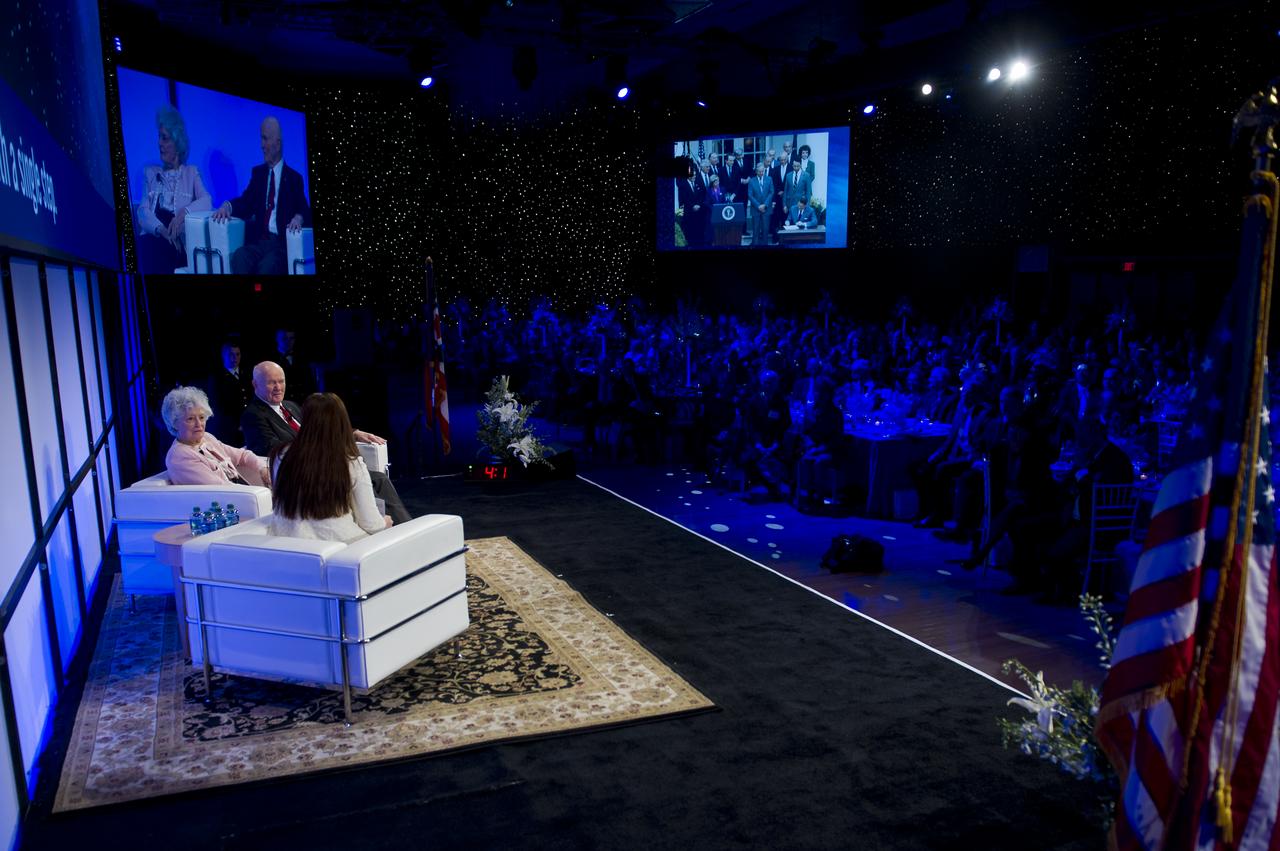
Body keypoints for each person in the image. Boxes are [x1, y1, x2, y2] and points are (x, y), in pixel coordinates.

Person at [240, 361, 412, 524]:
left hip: (325, 464)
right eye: (271, 383)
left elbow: (319, 428)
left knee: (378, 478)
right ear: (256, 385)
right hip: (305, 473)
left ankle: (403, 526)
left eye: (281, 381)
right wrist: (314, 448)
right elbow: (268, 448)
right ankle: (378, 524)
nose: (278, 387)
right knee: (361, 478)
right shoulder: (253, 415)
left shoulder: (290, 406)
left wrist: (353, 433)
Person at [269, 393, 391, 542]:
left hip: (288, 542)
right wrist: (384, 523)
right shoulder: (350, 462)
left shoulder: (280, 455)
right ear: (342, 422)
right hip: (341, 546)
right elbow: (371, 524)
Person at [211, 116, 311, 275]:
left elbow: (304, 208)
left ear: (277, 144)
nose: (261, 145)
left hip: (280, 244)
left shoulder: (294, 178)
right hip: (260, 241)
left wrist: (298, 218)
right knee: (239, 256)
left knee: (268, 266)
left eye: (265, 139)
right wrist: (227, 206)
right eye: (261, 139)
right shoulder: (258, 174)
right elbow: (246, 202)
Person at [135, 107, 212, 274]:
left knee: (161, 251)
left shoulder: (191, 173)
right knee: (145, 247)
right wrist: (162, 230)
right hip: (155, 237)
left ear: (177, 144)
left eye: (165, 138)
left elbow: (207, 201)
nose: (159, 143)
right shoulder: (150, 173)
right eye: (159, 137)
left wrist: (183, 214)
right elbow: (142, 212)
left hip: (178, 243)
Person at [161, 385, 270, 486]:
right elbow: (220, 488)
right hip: (226, 503)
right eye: (190, 419)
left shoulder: (206, 438)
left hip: (242, 494)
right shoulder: (179, 456)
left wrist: (262, 468)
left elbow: (241, 455)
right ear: (174, 423)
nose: (199, 424)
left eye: (202, 417)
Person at [204, 339, 252, 445]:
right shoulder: (217, 378)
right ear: (223, 355)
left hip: (249, 425)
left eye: (237, 354)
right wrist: (236, 425)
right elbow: (217, 406)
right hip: (229, 429)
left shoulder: (247, 374)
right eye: (231, 354)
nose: (235, 358)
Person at [748, 161, 773, 247]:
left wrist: (765, 205)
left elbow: (771, 193)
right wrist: (758, 206)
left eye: (763, 171)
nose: (761, 173)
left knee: (765, 230)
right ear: (756, 171)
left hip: (766, 209)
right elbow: (750, 195)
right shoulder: (751, 181)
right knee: (755, 230)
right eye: (759, 171)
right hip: (756, 209)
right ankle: (755, 246)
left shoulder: (769, 179)